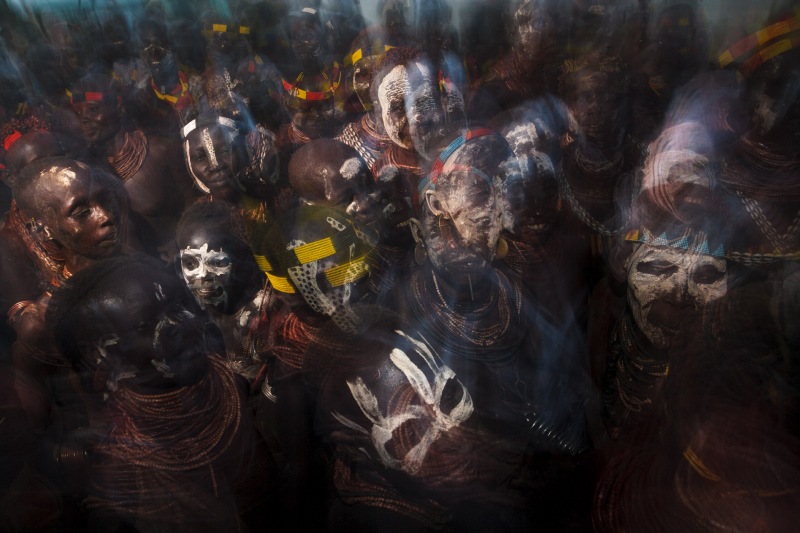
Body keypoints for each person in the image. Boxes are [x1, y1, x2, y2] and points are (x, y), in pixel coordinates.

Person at [50, 255, 274, 532]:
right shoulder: (122, 475)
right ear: (101, 354)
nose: (187, 323)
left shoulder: (229, 381)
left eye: (180, 304)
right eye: (145, 326)